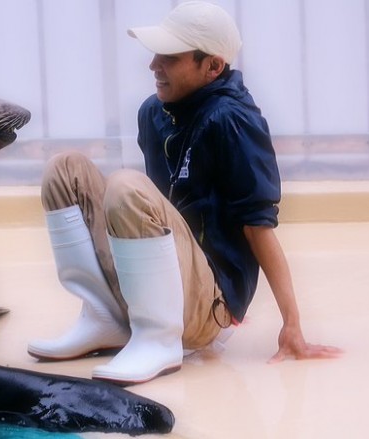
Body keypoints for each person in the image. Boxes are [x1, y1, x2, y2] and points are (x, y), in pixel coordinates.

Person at [27, 1, 341, 385]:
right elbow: (152, 216)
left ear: (213, 66)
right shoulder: (153, 112)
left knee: (127, 185)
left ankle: (158, 338)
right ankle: (103, 315)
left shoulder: (232, 120)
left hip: (207, 308)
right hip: (164, 280)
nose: (153, 66)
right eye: (156, 54)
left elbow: (258, 226)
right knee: (65, 169)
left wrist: (292, 325)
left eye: (170, 58)